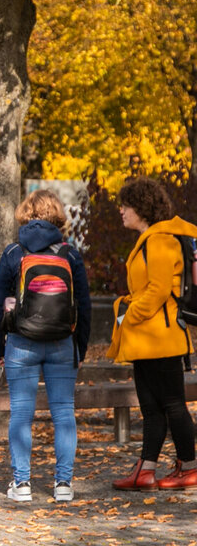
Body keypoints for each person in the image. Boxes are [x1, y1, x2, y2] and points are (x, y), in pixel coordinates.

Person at [0, 190, 91, 502]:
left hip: (21, 342)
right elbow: (84, 306)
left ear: (25, 215)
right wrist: (80, 349)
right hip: (62, 342)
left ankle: (21, 485)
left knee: (21, 413)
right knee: (64, 413)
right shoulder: (70, 255)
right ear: (58, 217)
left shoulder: (12, 253)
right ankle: (63, 485)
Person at [108, 177, 197, 491]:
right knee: (150, 408)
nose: (121, 211)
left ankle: (190, 467)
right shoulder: (149, 238)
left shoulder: (159, 240)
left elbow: (158, 289)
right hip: (146, 338)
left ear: (142, 208)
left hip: (161, 336)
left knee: (172, 405)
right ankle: (145, 471)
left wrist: (131, 314)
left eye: (126, 205)